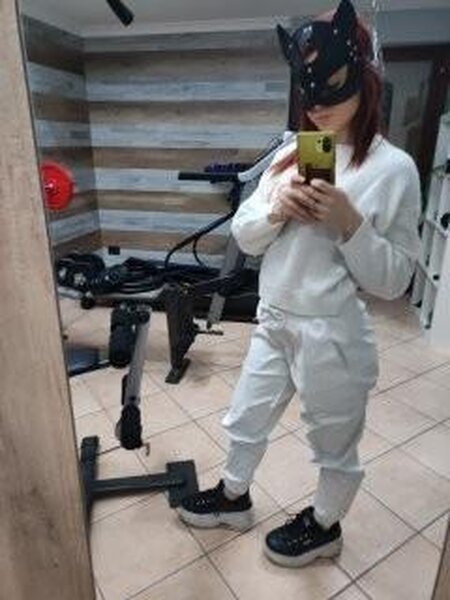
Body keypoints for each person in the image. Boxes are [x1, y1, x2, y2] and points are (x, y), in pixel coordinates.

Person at [178, 0, 421, 568]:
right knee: (246, 416)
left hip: (332, 330)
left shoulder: (393, 169)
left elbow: (394, 280)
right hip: (274, 318)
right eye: (307, 92)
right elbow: (245, 236)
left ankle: (325, 525)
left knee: (333, 438)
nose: (318, 105)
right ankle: (233, 496)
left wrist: (349, 223)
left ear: (363, 79)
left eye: (331, 88)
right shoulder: (293, 153)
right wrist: (276, 211)